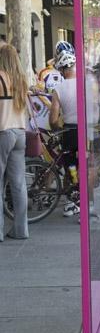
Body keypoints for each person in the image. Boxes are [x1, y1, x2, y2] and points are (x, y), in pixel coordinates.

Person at [0, 43, 29, 241]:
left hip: (3, 132)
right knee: (19, 184)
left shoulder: (0, 77)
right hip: (20, 133)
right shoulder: (21, 79)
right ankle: (21, 229)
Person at [49, 48, 80, 217]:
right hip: (84, 132)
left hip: (68, 132)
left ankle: (73, 200)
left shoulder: (59, 89)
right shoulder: (85, 84)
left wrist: (56, 130)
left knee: (71, 167)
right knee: (85, 165)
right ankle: (81, 201)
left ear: (62, 69)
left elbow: (53, 119)